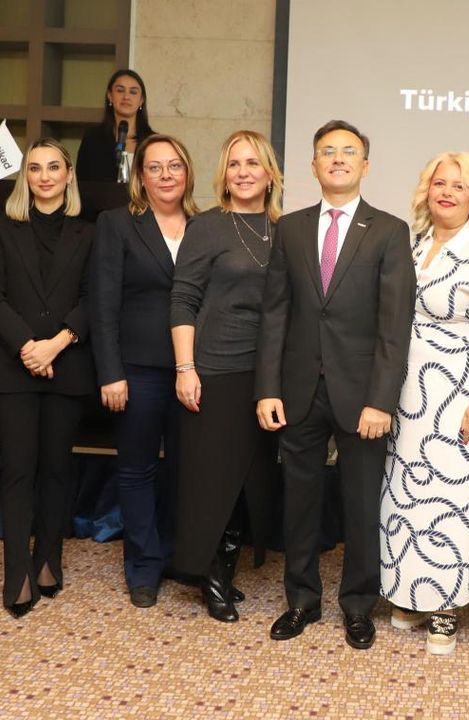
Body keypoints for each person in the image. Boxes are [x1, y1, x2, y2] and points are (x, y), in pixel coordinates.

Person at [255, 119, 416, 650]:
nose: (339, 159)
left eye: (349, 152)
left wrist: (381, 400)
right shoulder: (291, 228)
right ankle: (301, 600)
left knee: (361, 505)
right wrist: (267, 387)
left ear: (365, 165)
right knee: (299, 502)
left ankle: (358, 606)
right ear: (314, 164)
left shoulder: (389, 231)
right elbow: (275, 313)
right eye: (328, 151)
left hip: (362, 395)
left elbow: (394, 326)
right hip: (298, 390)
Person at [379, 152, 469, 655]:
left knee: (450, 500)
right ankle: (412, 593)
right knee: (407, 495)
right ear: (426, 191)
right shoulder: (410, 247)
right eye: (440, 183)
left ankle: (445, 606)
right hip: (406, 392)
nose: (448, 192)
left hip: (459, 395)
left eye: (460, 186)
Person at [0, 138, 96, 619]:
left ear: (68, 175)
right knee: (18, 469)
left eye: (53, 167)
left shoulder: (90, 232)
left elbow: (94, 298)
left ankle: (48, 560)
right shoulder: (2, 229)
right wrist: (29, 346)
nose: (44, 176)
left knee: (57, 469)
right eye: (34, 168)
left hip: (68, 363)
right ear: (24, 177)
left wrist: (56, 344)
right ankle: (17, 573)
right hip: (13, 367)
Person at [170, 130, 284, 622]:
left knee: (247, 481)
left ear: (270, 173)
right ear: (224, 173)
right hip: (214, 370)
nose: (243, 172)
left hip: (266, 376)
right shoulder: (207, 227)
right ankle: (210, 575)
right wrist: (185, 368)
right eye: (234, 164)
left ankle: (225, 571)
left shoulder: (285, 229)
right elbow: (183, 299)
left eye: (252, 163)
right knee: (213, 480)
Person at [89, 133, 199, 608]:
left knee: (185, 469)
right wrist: (110, 372)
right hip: (136, 370)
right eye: (155, 167)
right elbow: (102, 304)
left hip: (193, 370)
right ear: (140, 176)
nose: (166, 175)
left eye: (174, 165)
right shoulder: (117, 224)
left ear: (188, 172)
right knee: (136, 469)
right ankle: (143, 566)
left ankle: (176, 555)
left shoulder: (205, 225)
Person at [77, 69, 155, 182]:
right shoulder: (92, 138)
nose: (126, 97)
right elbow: (81, 182)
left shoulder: (153, 142)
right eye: (120, 90)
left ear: (141, 100)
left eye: (133, 92)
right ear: (110, 96)